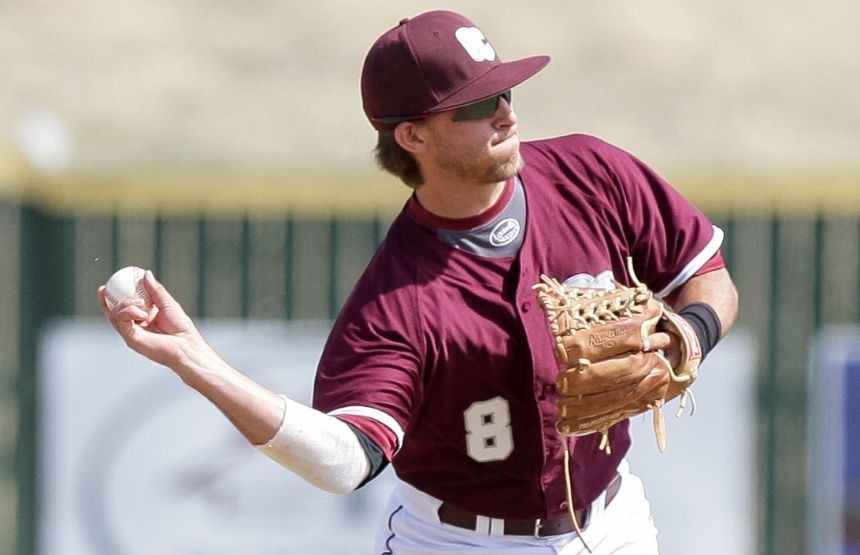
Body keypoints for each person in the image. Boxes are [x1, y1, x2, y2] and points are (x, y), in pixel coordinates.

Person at [99, 10, 739, 555]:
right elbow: (342, 461)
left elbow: (708, 278)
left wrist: (689, 332)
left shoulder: (590, 172)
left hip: (612, 526)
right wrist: (194, 360)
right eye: (480, 104)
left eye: (507, 93)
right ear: (413, 136)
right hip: (461, 542)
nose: (507, 115)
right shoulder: (396, 303)